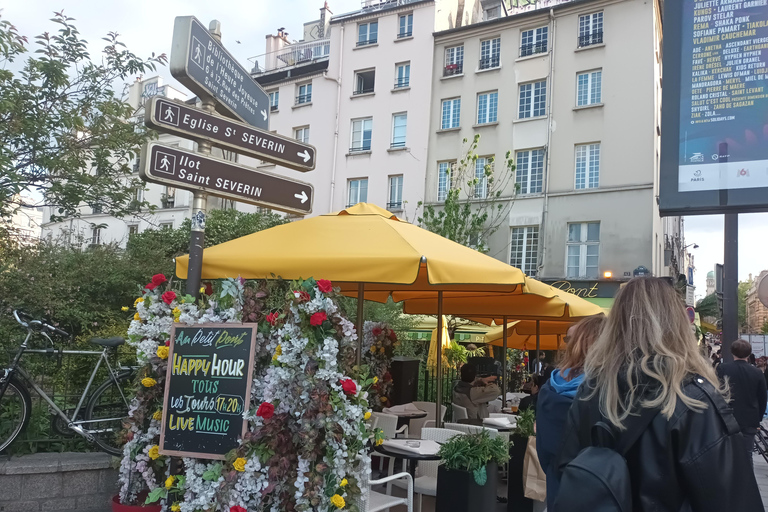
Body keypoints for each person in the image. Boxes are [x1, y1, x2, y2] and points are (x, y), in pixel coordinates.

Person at [556, 277, 761, 511]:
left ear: (615, 325)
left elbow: (565, 467)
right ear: (676, 324)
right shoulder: (692, 399)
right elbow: (732, 498)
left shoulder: (590, 391)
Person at [536, 314, 606, 510]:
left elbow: (543, 450)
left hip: (558, 487)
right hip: (597, 495)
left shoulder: (550, 386)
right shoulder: (604, 391)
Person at [716, 339, 768, 467]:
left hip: (727, 417)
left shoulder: (723, 369)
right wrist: (758, 419)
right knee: (747, 452)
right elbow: (762, 397)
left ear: (732, 352)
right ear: (749, 354)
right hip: (750, 418)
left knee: (726, 453)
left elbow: (717, 393)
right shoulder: (757, 372)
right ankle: (747, 481)